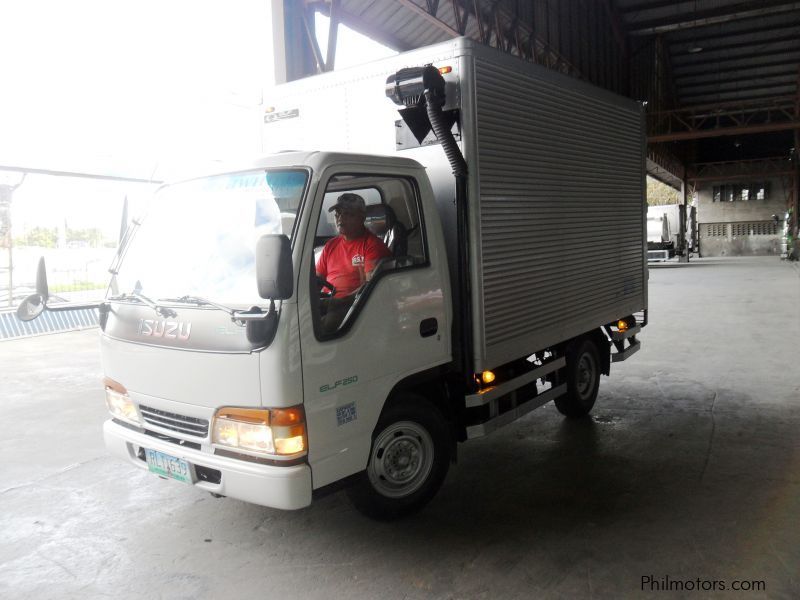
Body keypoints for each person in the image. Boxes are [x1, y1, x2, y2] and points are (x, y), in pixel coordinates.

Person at [315, 193, 391, 332]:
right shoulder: (330, 245)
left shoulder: (373, 246)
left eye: (348, 214)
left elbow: (371, 288)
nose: (340, 218)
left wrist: (339, 302)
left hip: (353, 308)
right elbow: (316, 279)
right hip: (327, 302)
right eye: (337, 214)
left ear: (362, 217)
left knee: (319, 331)